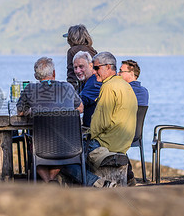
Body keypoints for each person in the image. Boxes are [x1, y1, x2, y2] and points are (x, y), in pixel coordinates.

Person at [17, 57, 115, 187]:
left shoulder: (29, 89)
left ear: (36, 76)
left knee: (32, 145)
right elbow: (80, 108)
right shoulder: (68, 87)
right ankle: (51, 181)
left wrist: (33, 110)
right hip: (68, 145)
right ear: (54, 73)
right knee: (59, 149)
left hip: (41, 147)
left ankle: (48, 182)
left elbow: (20, 112)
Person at [88, 52, 138, 185]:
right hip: (123, 144)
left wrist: (87, 135)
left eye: (97, 68)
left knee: (71, 153)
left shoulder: (108, 86)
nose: (94, 72)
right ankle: (127, 178)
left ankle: (97, 184)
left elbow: (100, 123)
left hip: (108, 143)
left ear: (108, 67)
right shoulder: (125, 86)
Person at [63, 24, 97, 92]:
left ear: (72, 38)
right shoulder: (93, 50)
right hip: (94, 85)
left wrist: (70, 93)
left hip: (81, 89)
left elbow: (71, 75)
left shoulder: (72, 51)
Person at [73, 51, 101, 127]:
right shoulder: (85, 81)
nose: (78, 71)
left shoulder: (94, 82)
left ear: (91, 65)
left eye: (81, 66)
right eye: (75, 67)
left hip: (94, 130)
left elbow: (79, 104)